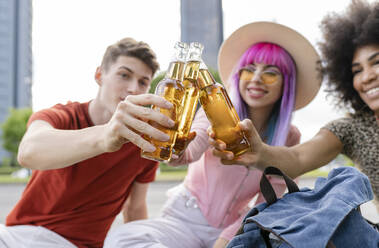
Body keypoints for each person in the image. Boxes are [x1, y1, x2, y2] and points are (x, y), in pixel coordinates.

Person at [104, 21, 322, 248]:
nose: (256, 78)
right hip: (184, 221)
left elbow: (268, 202)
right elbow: (190, 149)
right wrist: (174, 148)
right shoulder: (215, 109)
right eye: (249, 69)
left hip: (236, 229)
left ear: (286, 84)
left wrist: (225, 240)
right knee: (122, 239)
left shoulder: (290, 138)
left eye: (270, 73)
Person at [0, 37, 176, 248]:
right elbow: (28, 152)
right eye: (124, 75)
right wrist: (105, 136)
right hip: (14, 235)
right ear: (99, 75)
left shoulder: (145, 140)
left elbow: (135, 209)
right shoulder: (63, 116)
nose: (133, 88)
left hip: (75, 244)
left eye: (143, 82)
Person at [210, 0, 379, 214]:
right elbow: (297, 158)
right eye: (357, 70)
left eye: (376, 62)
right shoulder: (352, 129)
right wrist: (260, 152)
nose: (367, 77)